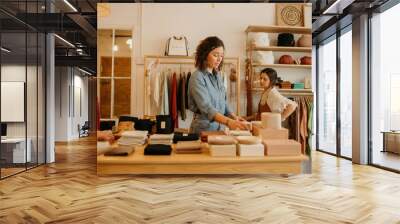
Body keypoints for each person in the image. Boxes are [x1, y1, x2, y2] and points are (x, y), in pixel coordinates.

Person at [188, 36, 248, 134]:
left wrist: (234, 117)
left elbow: (223, 102)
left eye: (221, 55)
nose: (219, 59)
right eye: (215, 55)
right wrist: (229, 122)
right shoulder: (197, 77)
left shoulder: (218, 76)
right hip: (203, 130)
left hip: (220, 128)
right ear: (205, 55)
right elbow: (207, 108)